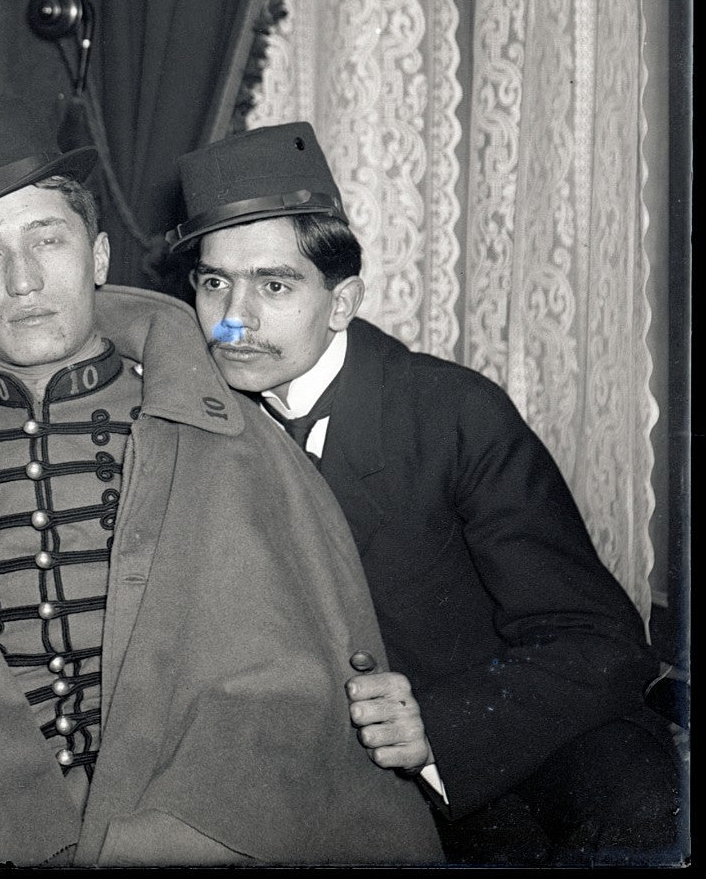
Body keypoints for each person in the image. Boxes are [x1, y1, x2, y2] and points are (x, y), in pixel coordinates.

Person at [0, 95, 442, 866]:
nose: (21, 280)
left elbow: (284, 700)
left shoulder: (222, 436)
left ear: (100, 256)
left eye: (47, 239)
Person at [167, 121, 682, 865]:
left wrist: (440, 726)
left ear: (343, 302)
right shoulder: (202, 423)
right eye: (214, 283)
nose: (234, 318)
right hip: (346, 782)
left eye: (273, 284)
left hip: (520, 746)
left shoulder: (453, 412)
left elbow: (602, 642)